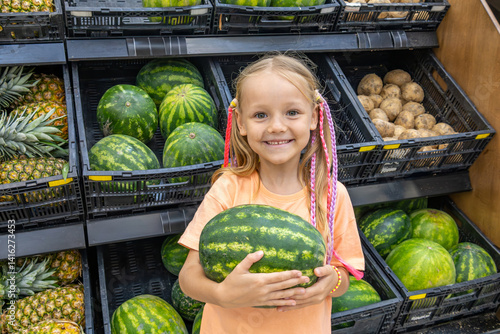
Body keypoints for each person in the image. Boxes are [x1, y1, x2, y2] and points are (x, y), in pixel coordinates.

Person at [178, 53, 365, 334]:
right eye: (260, 115)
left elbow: (343, 275)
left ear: (314, 117)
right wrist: (222, 295)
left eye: (292, 112)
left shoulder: (332, 195)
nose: (276, 126)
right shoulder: (229, 188)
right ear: (240, 123)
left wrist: (332, 283)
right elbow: (188, 277)